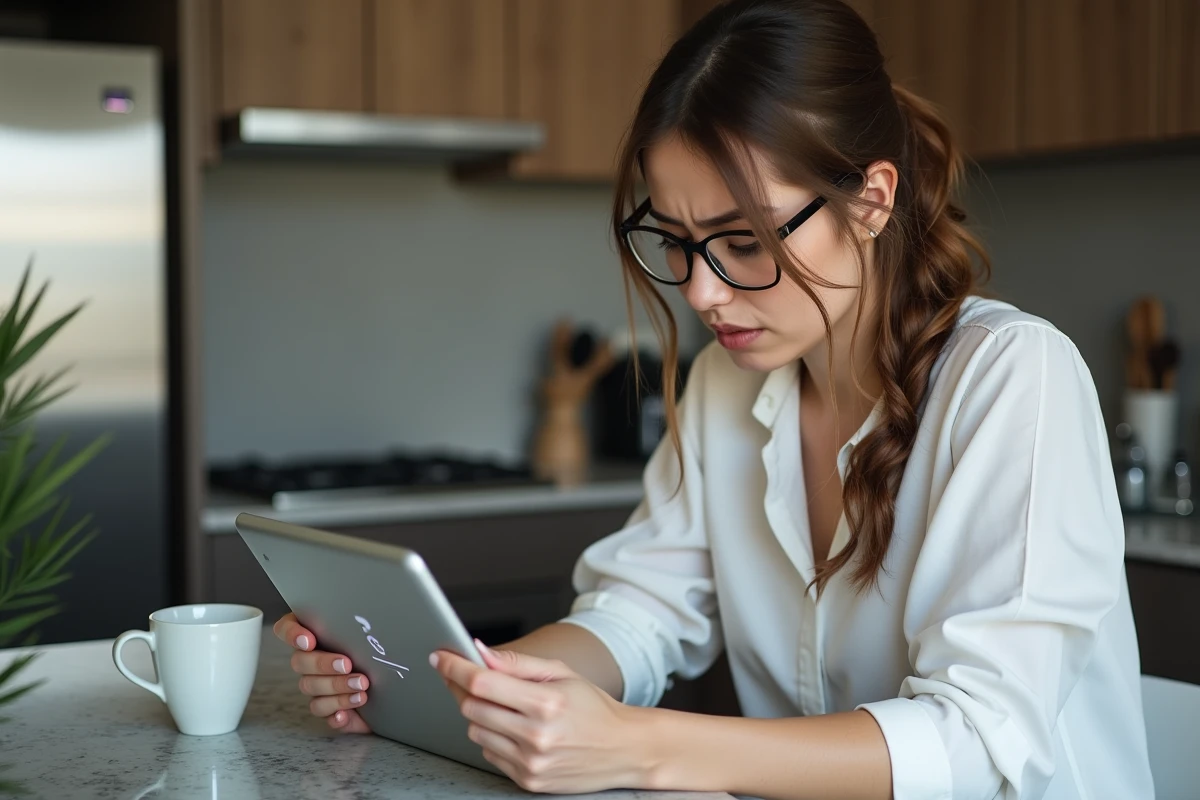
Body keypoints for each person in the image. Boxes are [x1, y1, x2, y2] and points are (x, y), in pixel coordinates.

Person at [273, 1, 1155, 797]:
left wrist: (637, 746)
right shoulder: (726, 388)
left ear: (873, 200)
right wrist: (467, 685)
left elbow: (976, 743)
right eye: (680, 241)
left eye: (744, 240)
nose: (701, 292)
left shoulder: (1011, 379)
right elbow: (640, 615)